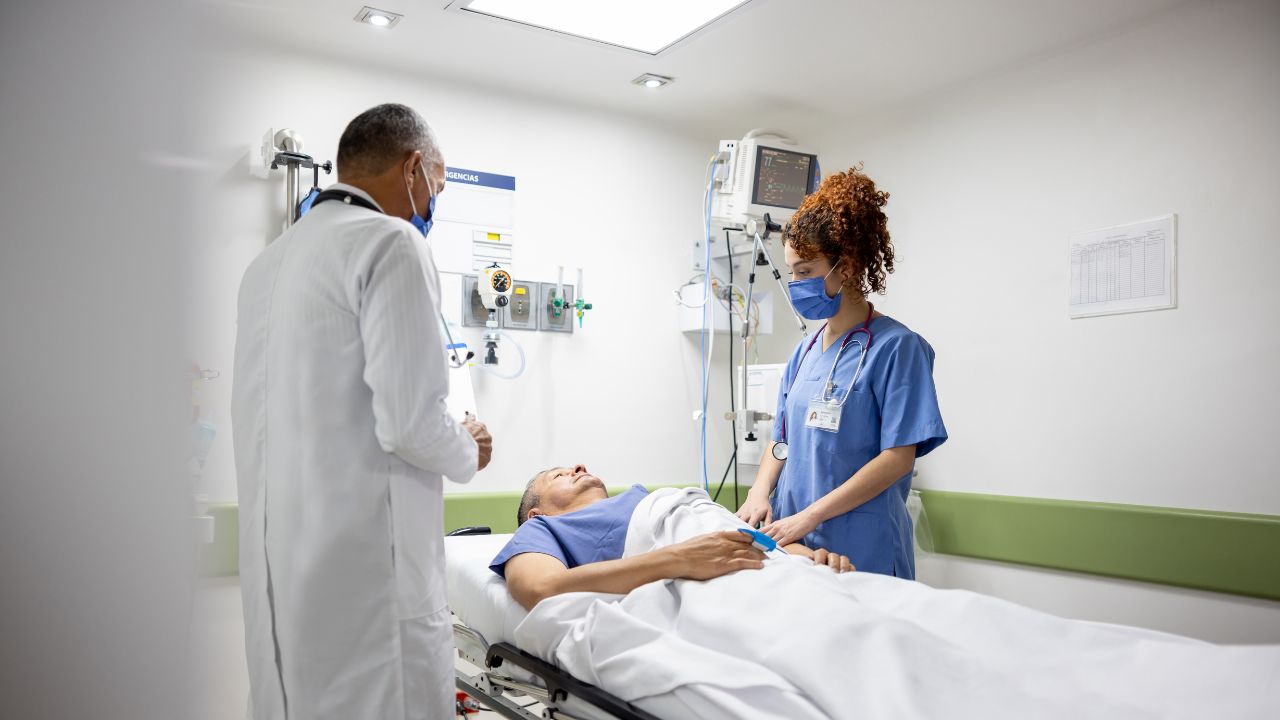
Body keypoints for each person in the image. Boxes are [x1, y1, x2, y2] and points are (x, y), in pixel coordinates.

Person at [232, 103, 493, 720]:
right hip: (368, 601)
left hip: (283, 591)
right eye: (438, 184)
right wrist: (468, 449)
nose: (433, 200)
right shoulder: (390, 243)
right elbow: (409, 424)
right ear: (413, 169)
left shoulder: (265, 266)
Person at [736, 166, 947, 579]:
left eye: (806, 271)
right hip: (795, 546)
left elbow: (898, 459)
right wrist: (760, 492)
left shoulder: (897, 348)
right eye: (792, 270)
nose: (795, 283)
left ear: (845, 267)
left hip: (862, 547)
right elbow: (781, 440)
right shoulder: (805, 351)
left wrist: (810, 516)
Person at [492, 464, 853, 610]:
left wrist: (802, 554)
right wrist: (680, 559)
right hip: (698, 570)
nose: (579, 468)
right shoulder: (541, 530)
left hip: (767, 559)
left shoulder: (645, 498)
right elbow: (537, 588)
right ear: (535, 514)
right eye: (559, 475)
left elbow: (732, 536)